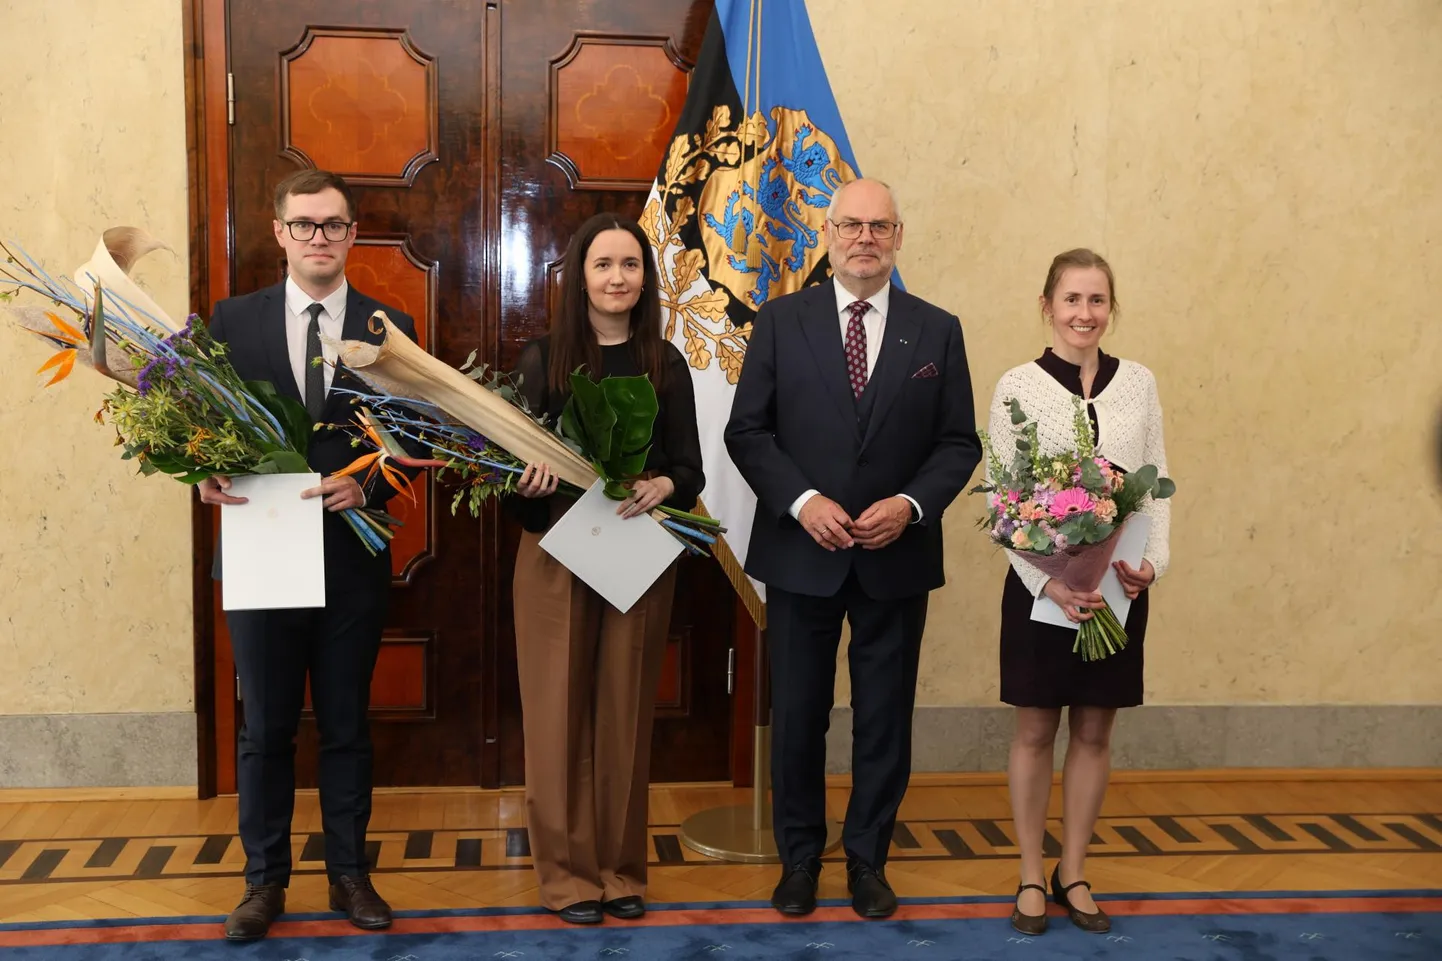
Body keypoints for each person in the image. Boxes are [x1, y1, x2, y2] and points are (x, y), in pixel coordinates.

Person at [724, 178, 981, 919]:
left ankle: (869, 859)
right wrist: (804, 502)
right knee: (799, 714)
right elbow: (749, 431)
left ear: (899, 236)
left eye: (880, 226)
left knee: (885, 718)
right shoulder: (779, 321)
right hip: (802, 553)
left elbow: (957, 441)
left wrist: (910, 504)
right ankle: (799, 858)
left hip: (895, 559)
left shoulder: (937, 330)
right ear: (827, 235)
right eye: (851, 225)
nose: (865, 238)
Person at [197, 169, 421, 942]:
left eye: (332, 224)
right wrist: (206, 472)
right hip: (261, 557)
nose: (318, 237)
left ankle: (349, 874)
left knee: (346, 724)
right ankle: (263, 883)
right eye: (305, 224)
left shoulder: (393, 327)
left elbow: (416, 437)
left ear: (353, 234)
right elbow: (201, 428)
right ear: (279, 232)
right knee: (264, 728)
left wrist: (370, 486)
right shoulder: (231, 321)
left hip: (349, 560)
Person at [507, 213, 704, 925]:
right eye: (603, 264)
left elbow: (690, 467)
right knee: (557, 714)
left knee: (624, 713)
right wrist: (526, 485)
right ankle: (564, 876)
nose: (617, 277)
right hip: (555, 553)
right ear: (578, 276)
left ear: (645, 278)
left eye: (630, 264)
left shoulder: (666, 362)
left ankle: (620, 870)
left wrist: (665, 486)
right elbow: (508, 481)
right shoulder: (542, 360)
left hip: (634, 549)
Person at [990, 248, 1171, 936]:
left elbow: (1156, 481)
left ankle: (1074, 868)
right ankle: (1032, 870)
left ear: (1110, 308)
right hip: (1040, 590)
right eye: (1071, 300)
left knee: (1095, 728)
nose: (1084, 314)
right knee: (1036, 728)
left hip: (1118, 591)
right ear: (1047, 306)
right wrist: (1051, 580)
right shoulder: (1017, 385)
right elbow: (1003, 500)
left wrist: (1152, 561)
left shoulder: (1140, 383)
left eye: (1097, 301)